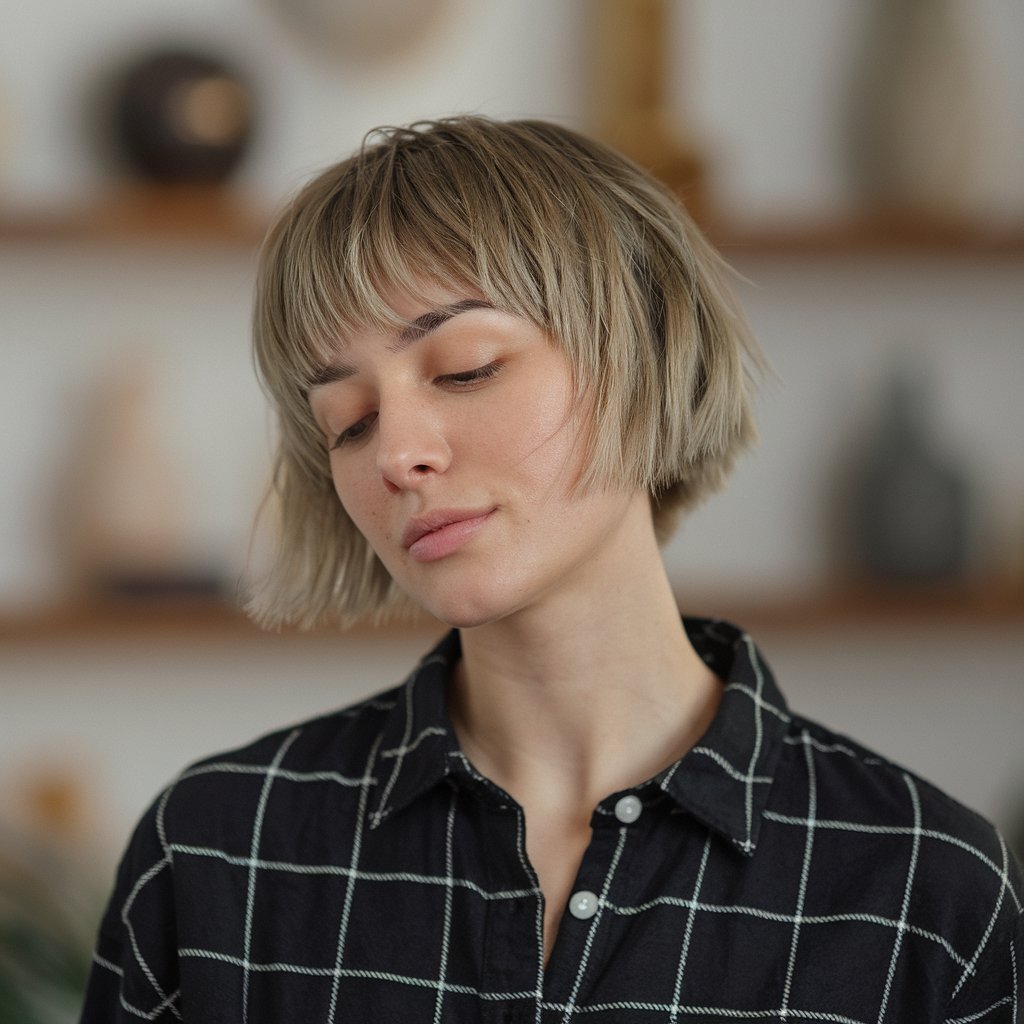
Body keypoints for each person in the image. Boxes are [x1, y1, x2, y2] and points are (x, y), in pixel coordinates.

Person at [80, 116, 1021, 1023]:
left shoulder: (924, 889)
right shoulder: (211, 854)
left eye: (466, 367)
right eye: (350, 422)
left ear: (640, 352)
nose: (396, 454)